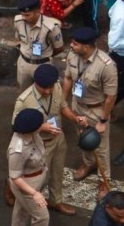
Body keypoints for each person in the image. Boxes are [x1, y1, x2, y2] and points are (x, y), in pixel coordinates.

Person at [11, 63, 76, 216]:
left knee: (57, 171)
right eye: (43, 88)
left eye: (50, 87)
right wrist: (42, 127)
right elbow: (15, 126)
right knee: (37, 179)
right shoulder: (24, 100)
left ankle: (56, 201)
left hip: (58, 138)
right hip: (39, 145)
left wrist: (75, 118)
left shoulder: (57, 88)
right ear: (35, 83)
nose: (47, 91)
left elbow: (62, 106)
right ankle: (22, 199)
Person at [65, 26, 117, 198]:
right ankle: (88, 163)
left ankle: (104, 179)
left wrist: (103, 121)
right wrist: (63, 102)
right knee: (83, 139)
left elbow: (110, 96)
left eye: (75, 44)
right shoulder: (73, 56)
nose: (71, 46)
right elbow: (67, 78)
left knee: (100, 148)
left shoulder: (106, 65)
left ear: (86, 47)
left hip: (96, 110)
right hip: (77, 105)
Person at [6, 109, 57, 226]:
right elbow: (15, 177)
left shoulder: (31, 133)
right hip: (25, 184)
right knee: (41, 215)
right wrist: (34, 193)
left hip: (36, 177)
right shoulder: (17, 150)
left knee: (22, 207)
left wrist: (45, 127)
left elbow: (38, 128)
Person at [13, 0, 65, 91]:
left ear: (38, 11)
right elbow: (19, 39)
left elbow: (59, 48)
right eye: (22, 14)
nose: (24, 17)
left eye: (28, 15)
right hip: (24, 63)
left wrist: (46, 56)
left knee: (45, 92)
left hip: (42, 64)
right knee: (23, 92)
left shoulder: (51, 27)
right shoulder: (18, 21)